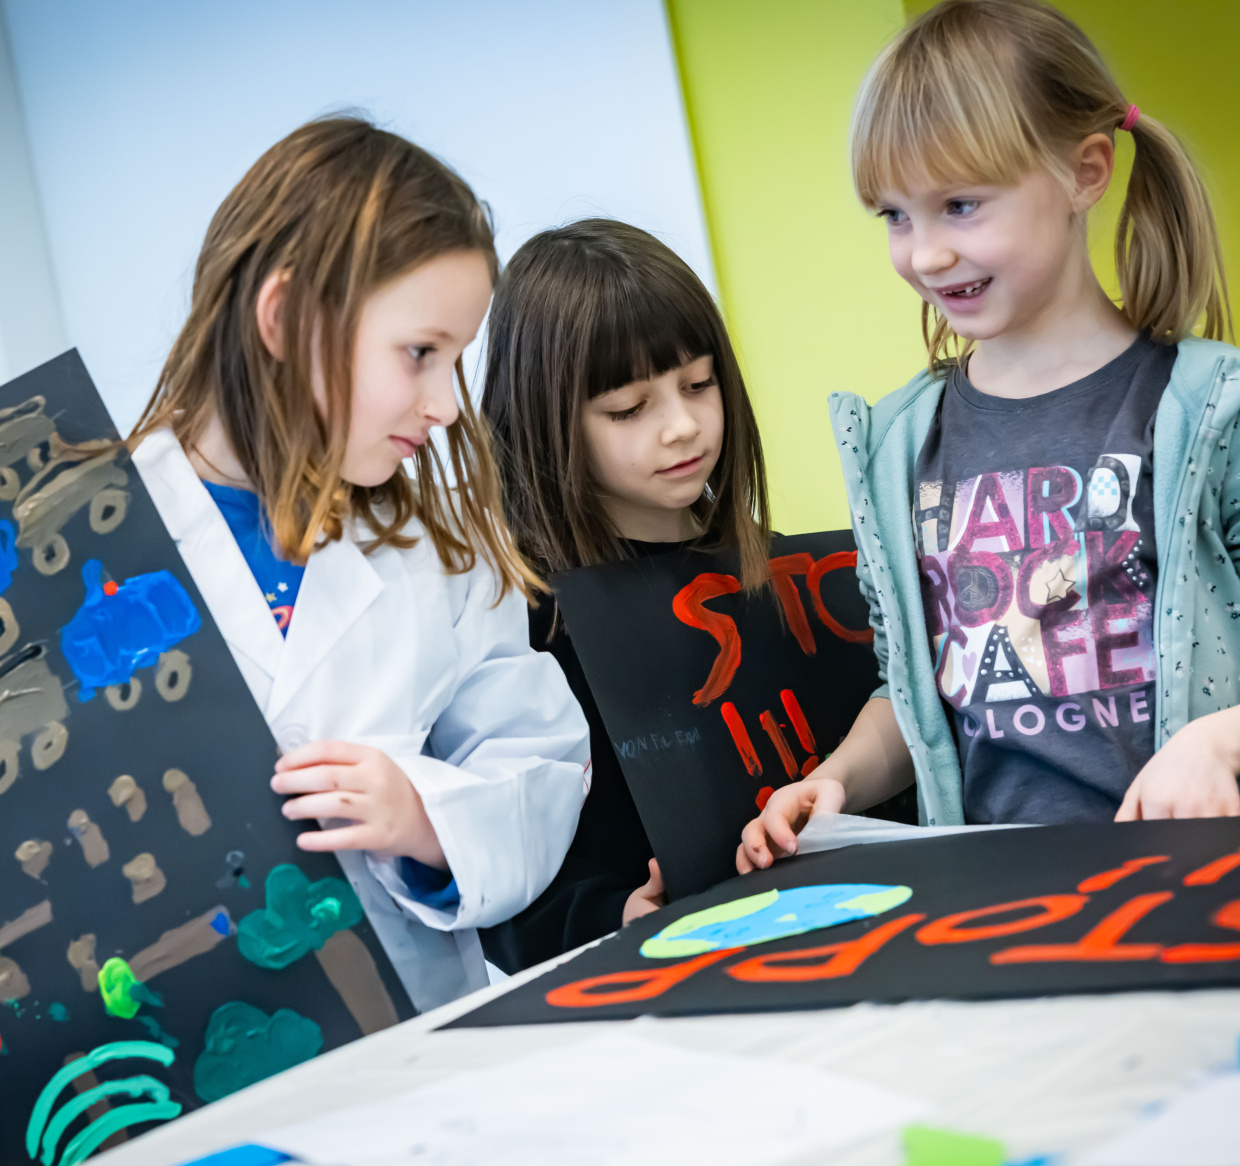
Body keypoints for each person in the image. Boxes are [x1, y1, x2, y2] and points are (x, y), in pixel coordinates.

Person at [740, 0, 1240, 873]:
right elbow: (917, 696)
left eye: (960, 205)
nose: (924, 255)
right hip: (996, 899)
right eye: (894, 216)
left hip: (1193, 885)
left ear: (1086, 172)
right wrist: (838, 780)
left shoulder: (1210, 407)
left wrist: (1219, 745)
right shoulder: (900, 442)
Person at [129, 117, 590, 1010]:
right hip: (163, 1053)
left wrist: (426, 819)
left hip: (405, 1033)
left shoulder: (439, 548)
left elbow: (539, 758)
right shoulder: (99, 545)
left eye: (456, 359)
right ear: (285, 318)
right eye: (421, 353)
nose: (449, 404)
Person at [478, 219, 771, 971]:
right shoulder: (521, 624)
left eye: (699, 384)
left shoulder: (770, 571)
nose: (683, 427)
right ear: (547, 422)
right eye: (628, 409)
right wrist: (615, 916)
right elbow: (504, 880)